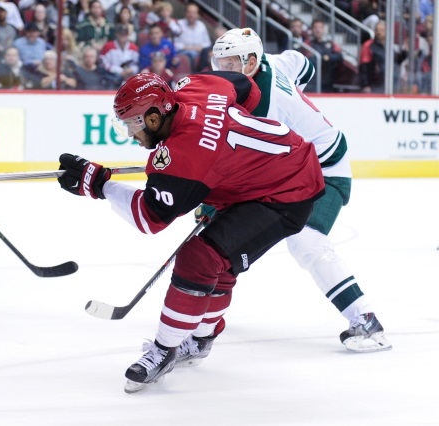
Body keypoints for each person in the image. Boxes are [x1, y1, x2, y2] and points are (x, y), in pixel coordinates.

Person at [57, 71, 325, 392]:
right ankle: (201, 340)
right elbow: (247, 88)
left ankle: (164, 350)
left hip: (288, 192)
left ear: (155, 118)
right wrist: (230, 156)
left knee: (198, 259)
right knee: (217, 264)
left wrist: (99, 185)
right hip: (271, 171)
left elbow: (148, 218)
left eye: (132, 124)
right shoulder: (193, 86)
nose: (130, 133)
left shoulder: (187, 155)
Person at [208, 28, 392, 353]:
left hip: (325, 169)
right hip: (298, 162)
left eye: (231, 63)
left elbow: (250, 165)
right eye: (219, 62)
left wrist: (213, 198)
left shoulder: (262, 107)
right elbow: (303, 64)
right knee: (236, 229)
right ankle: (209, 303)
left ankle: (365, 320)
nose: (223, 70)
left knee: (306, 240)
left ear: (251, 61)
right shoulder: (273, 63)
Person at [304, 19, 343, 92]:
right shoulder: (307, 44)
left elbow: (339, 56)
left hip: (329, 81)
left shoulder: (330, 43)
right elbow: (309, 60)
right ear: (312, 30)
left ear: (323, 29)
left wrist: (329, 57)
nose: (318, 30)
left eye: (320, 27)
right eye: (315, 28)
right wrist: (322, 58)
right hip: (312, 82)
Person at [174, 2, 211, 71]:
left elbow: (207, 43)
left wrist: (200, 47)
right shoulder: (179, 24)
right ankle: (194, 75)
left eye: (194, 13)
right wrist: (188, 48)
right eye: (189, 12)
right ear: (185, 13)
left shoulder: (201, 25)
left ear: (198, 15)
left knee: (209, 52)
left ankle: (202, 72)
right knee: (190, 54)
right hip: (184, 51)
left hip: (199, 52)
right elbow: (175, 44)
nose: (191, 15)